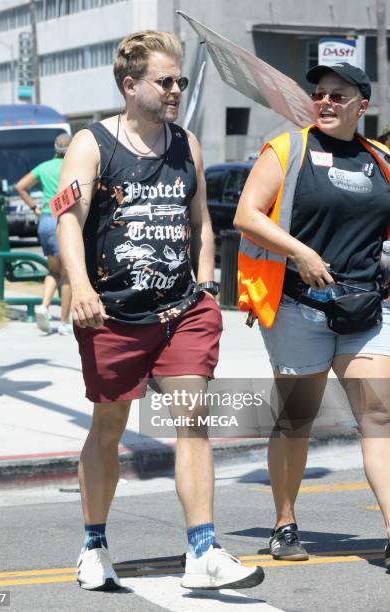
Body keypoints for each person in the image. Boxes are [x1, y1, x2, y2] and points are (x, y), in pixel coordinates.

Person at [57, 30, 264, 591]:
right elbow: (68, 220)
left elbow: (201, 220)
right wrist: (79, 285)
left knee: (193, 421)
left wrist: (205, 284)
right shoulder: (91, 143)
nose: (176, 89)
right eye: (164, 81)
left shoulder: (186, 144)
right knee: (109, 423)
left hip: (181, 310)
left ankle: (203, 549)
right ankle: (94, 544)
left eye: (181, 81)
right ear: (130, 85)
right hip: (113, 314)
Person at [234, 63, 390, 567]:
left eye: (337, 96)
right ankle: (284, 523)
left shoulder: (381, 162)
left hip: (364, 309)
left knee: (380, 415)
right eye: (319, 94)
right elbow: (247, 215)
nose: (324, 102)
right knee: (297, 420)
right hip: (299, 309)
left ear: (361, 107)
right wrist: (300, 252)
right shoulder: (288, 150)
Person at [15, 133, 73, 335]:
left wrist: (34, 208)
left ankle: (44, 306)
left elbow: (20, 186)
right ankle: (64, 323)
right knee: (67, 274)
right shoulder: (72, 166)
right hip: (64, 220)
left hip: (46, 220)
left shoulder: (44, 166)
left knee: (54, 270)